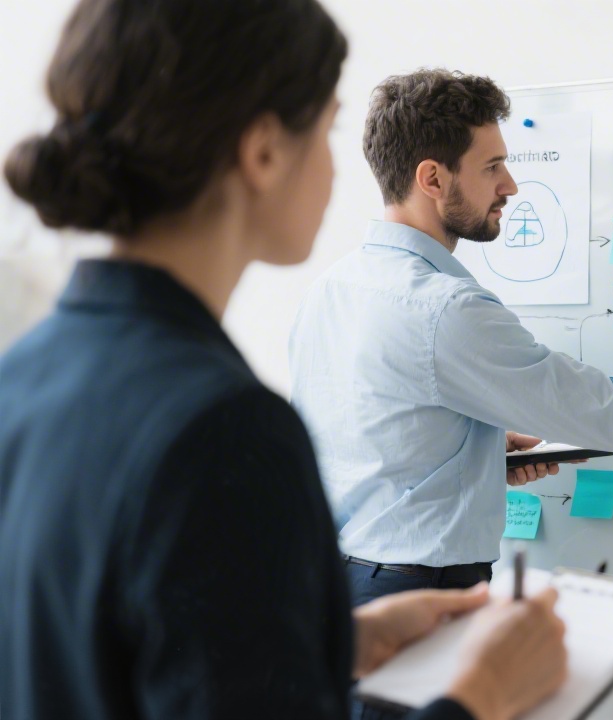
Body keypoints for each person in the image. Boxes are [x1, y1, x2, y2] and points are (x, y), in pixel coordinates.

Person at [0, 3, 566, 720]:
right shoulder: (223, 431)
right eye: (327, 128)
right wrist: (480, 694)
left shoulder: (23, 378)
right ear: (263, 152)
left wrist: (334, 642)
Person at [289, 68, 613, 604]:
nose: (510, 185)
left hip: (340, 589)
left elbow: (367, 444)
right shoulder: (447, 310)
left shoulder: (329, 289)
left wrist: (476, 453)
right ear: (432, 179)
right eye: (492, 166)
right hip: (421, 595)